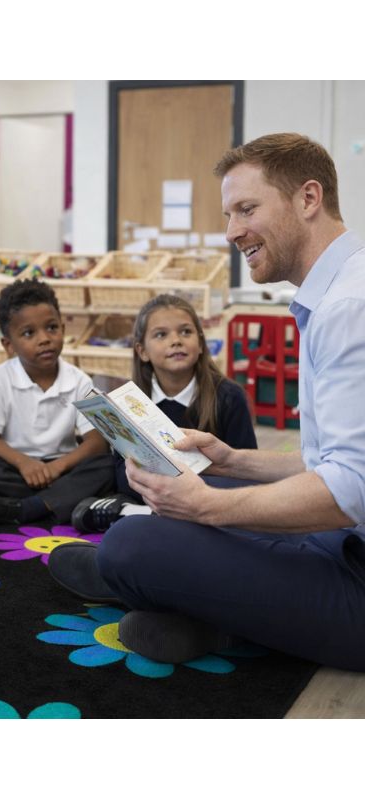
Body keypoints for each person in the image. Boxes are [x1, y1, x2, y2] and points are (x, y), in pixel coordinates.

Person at [48, 132, 365, 672]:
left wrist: (207, 507)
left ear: (308, 199)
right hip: (345, 541)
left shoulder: (347, 307)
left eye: (246, 209)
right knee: (209, 481)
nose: (231, 232)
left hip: (354, 567)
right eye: (228, 214)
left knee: (134, 545)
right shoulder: (338, 291)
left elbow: (348, 490)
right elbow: (336, 461)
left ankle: (184, 598)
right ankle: (199, 596)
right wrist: (232, 460)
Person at [71, 294, 256, 532]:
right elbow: (122, 474)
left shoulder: (229, 397)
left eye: (186, 332)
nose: (176, 341)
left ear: (200, 344)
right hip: (148, 496)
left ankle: (131, 515)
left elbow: (246, 474)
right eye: (161, 334)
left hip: (210, 500)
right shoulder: (127, 401)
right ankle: (139, 514)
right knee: (99, 471)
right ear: (142, 351)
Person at [0, 278, 114, 525]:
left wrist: (57, 467)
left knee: (106, 466)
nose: (44, 338)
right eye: (28, 333)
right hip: (17, 468)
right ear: (8, 345)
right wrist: (25, 464)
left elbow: (96, 444)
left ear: (63, 330)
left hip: (63, 468)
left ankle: (26, 508)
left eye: (52, 328)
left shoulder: (80, 380)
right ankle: (56, 502)